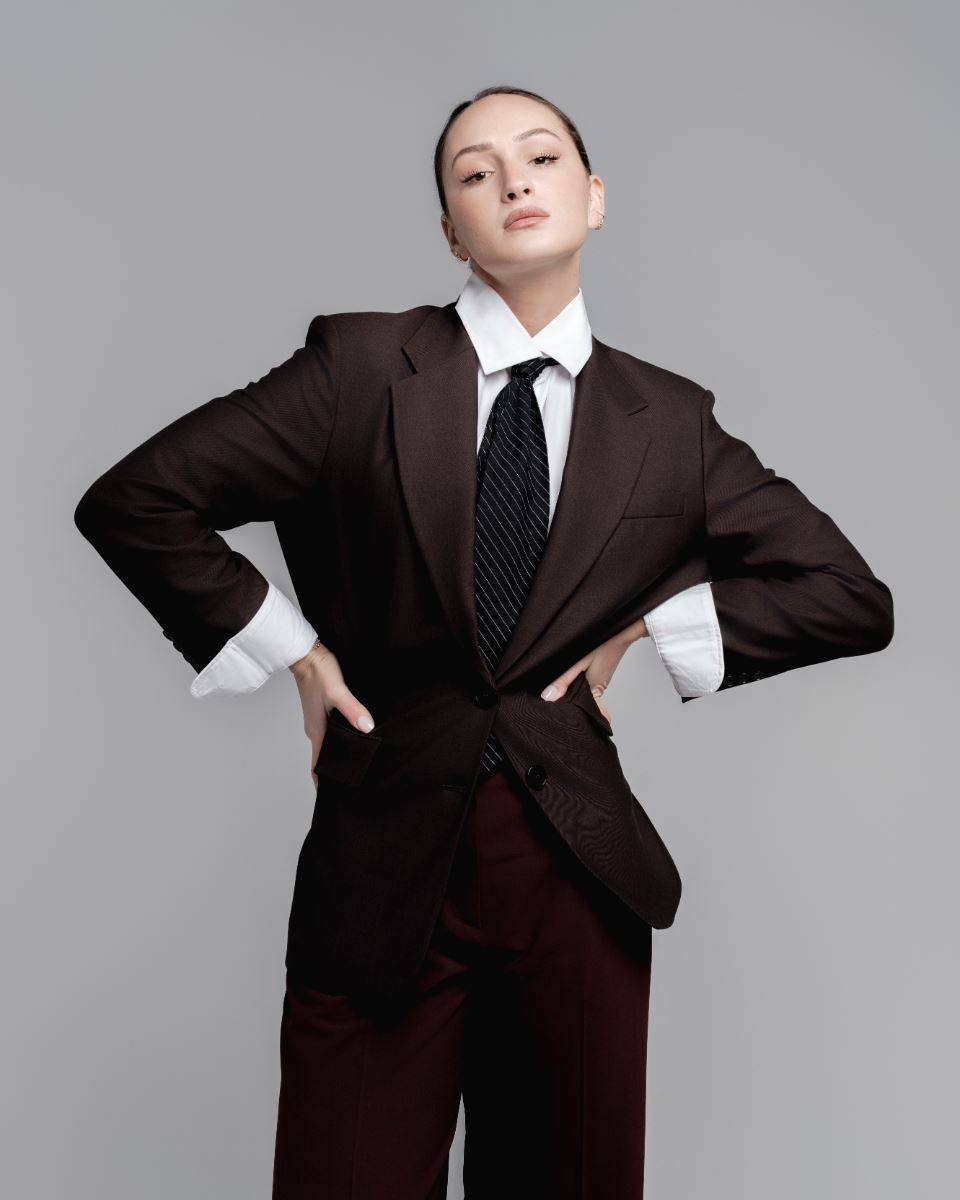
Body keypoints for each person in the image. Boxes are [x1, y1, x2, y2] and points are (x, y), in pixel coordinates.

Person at [74, 85, 894, 1199]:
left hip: (578, 880)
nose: (512, 180)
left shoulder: (670, 422)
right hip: (379, 869)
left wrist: (649, 623)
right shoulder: (359, 369)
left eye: (542, 157)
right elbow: (136, 500)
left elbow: (850, 597)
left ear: (594, 198)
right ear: (451, 230)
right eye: (475, 171)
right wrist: (295, 651)